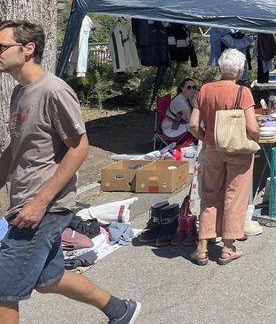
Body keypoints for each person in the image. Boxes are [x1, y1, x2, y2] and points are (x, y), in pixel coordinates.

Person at [0, 20, 141, 324]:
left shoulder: (53, 91)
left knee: (3, 290)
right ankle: (120, 310)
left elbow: (79, 148)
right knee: (49, 279)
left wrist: (40, 202)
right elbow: (16, 147)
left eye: (2, 47)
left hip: (43, 207)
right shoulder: (20, 93)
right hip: (25, 202)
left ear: (28, 49)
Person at [188, 48, 259, 266]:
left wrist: (206, 138)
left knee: (210, 194)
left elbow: (192, 124)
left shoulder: (206, 90)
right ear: (239, 71)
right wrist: (255, 139)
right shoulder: (243, 92)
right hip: (238, 149)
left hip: (212, 148)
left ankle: (202, 247)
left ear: (220, 68)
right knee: (234, 196)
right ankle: (227, 248)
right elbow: (252, 127)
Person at [160, 78, 197, 142]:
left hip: (177, 125)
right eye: (189, 87)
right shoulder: (179, 100)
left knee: (203, 123)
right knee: (198, 125)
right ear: (182, 88)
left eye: (194, 87)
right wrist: (195, 105)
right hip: (170, 130)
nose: (192, 90)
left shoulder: (186, 99)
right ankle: (205, 144)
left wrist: (192, 102)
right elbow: (190, 120)